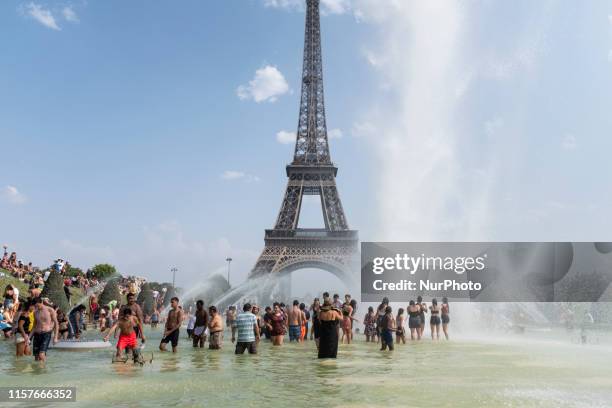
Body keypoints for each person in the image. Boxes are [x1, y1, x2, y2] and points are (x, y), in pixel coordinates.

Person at [31, 297, 59, 362]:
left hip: (46, 333)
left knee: (41, 354)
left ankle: (43, 370)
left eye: (38, 305)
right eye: (35, 306)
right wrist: (29, 337)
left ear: (41, 302)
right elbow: (34, 326)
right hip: (37, 334)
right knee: (36, 357)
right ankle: (38, 371)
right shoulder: (35, 312)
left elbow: (56, 323)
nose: (37, 307)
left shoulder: (50, 310)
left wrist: (55, 337)